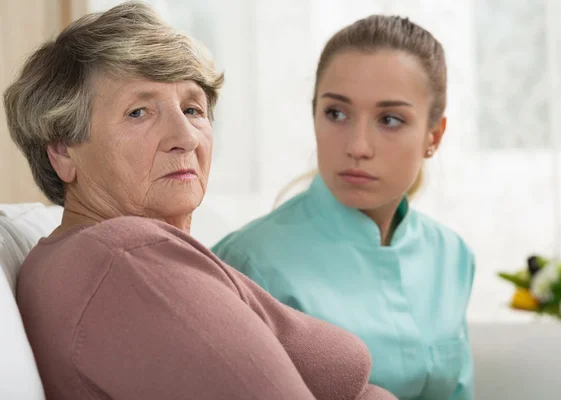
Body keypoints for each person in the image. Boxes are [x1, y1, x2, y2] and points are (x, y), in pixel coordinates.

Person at [4, 3, 396, 399]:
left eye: (193, 109)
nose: (186, 137)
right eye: (139, 112)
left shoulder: (88, 257)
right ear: (63, 152)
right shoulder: (126, 256)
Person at [212, 15, 475, 400]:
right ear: (314, 114)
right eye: (336, 113)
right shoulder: (247, 264)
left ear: (433, 136)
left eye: (389, 119)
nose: (358, 146)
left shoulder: (453, 256)